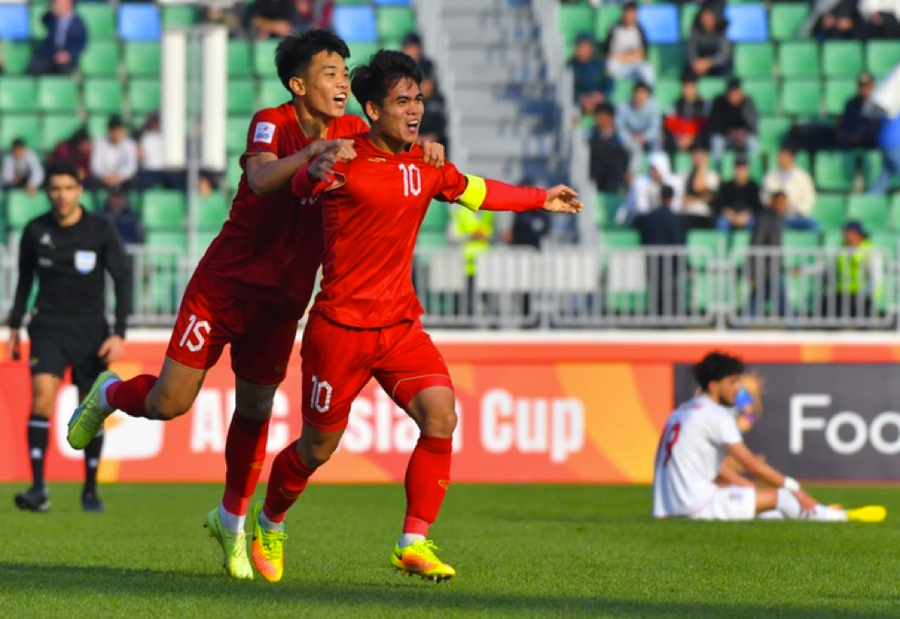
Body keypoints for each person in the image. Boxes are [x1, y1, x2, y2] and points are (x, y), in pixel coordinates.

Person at [66, 30, 444, 581]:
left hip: (282, 300)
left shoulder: (356, 131)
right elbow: (263, 177)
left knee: (256, 411)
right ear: (298, 84)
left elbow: (399, 148)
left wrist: (427, 146)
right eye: (330, 72)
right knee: (172, 403)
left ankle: (232, 521)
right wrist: (313, 151)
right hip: (225, 286)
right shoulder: (272, 121)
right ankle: (111, 392)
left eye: (344, 71)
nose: (342, 80)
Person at [249, 49, 582, 584]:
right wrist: (310, 171)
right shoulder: (343, 157)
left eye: (418, 99)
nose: (414, 110)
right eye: (402, 101)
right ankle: (270, 520)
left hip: (400, 325)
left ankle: (413, 542)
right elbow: (296, 188)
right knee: (318, 447)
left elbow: (477, 191)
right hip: (339, 328)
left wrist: (540, 198)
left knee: (441, 415)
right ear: (373, 110)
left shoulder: (425, 166)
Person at [8, 161, 131, 514]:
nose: (61, 195)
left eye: (68, 188)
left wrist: (119, 332)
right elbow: (25, 281)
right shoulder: (35, 231)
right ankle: (38, 489)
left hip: (91, 331)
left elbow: (122, 279)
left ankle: (90, 491)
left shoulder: (100, 230)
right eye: (55, 189)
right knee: (41, 400)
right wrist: (15, 324)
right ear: (48, 192)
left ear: (79, 190)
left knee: (89, 411)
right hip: (48, 328)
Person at [653, 351, 885, 523]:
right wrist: (796, 489)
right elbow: (751, 464)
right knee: (784, 497)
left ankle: (810, 512)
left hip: (667, 508)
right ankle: (838, 516)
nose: (738, 389)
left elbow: (711, 469)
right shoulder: (715, 414)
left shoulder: (682, 411)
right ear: (714, 385)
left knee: (768, 505)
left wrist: (748, 489)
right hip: (697, 505)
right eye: (732, 382)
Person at [634, 185, 684, 317]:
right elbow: (677, 241)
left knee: (655, 294)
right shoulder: (674, 219)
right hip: (669, 264)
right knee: (668, 294)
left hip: (652, 262)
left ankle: (656, 318)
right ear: (672, 198)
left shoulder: (649, 218)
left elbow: (643, 240)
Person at [821, 221, 882, 319]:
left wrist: (868, 294)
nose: (844, 235)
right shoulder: (842, 248)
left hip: (862, 293)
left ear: (856, 234)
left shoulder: (870, 250)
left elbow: (876, 277)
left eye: (846, 232)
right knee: (827, 304)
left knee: (861, 310)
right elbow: (828, 266)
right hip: (842, 292)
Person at [747, 191, 789, 318]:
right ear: (772, 202)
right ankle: (795, 328)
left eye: (785, 203)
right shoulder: (764, 219)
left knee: (757, 298)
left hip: (773, 267)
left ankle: (740, 327)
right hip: (765, 268)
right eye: (780, 203)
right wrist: (754, 271)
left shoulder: (777, 219)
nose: (783, 206)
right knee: (781, 299)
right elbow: (755, 245)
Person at [760, 146, 818, 231]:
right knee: (756, 222)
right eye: (779, 157)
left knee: (813, 225)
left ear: (791, 158)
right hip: (774, 217)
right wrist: (775, 206)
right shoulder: (770, 176)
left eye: (784, 156)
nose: (781, 159)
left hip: (795, 217)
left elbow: (809, 199)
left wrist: (796, 209)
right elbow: (764, 197)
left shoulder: (803, 177)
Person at [28, 0, 87, 75]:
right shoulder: (53, 18)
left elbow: (81, 42)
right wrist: (51, 12)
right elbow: (43, 20)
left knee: (63, 68)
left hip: (66, 55)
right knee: (36, 66)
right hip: (50, 53)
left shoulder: (77, 22)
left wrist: (68, 54)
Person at [603, 2, 654, 85]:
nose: (631, 17)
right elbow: (609, 53)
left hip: (633, 65)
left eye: (633, 14)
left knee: (646, 68)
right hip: (617, 65)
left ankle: (649, 94)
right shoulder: (614, 28)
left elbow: (642, 54)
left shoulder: (640, 30)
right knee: (609, 66)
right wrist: (628, 56)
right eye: (628, 14)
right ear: (623, 14)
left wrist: (624, 56)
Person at [708, 78, 759, 162]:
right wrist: (731, 133)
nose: (732, 96)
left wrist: (743, 133)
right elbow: (715, 125)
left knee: (752, 141)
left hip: (743, 136)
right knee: (716, 140)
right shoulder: (719, 102)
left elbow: (754, 125)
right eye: (730, 93)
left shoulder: (747, 102)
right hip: (726, 136)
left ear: (740, 92)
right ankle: (718, 169)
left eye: (735, 93)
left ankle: (755, 167)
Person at [616, 81, 661, 172]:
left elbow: (655, 127)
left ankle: (657, 171)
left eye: (643, 94)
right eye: (637, 93)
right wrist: (631, 138)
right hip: (629, 137)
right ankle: (631, 173)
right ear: (633, 94)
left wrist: (645, 136)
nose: (640, 96)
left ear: (648, 95)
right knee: (635, 147)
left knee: (658, 141)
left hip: (646, 136)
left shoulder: (653, 105)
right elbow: (619, 127)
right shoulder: (623, 106)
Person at [713, 153, 763, 232]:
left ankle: (750, 244)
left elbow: (758, 207)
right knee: (721, 222)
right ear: (734, 169)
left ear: (748, 169)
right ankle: (723, 244)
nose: (741, 171)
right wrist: (729, 214)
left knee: (755, 223)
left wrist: (747, 215)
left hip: (746, 217)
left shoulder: (754, 187)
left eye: (743, 168)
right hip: (730, 217)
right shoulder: (726, 187)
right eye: (738, 168)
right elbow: (719, 205)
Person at [663, 69, 709, 154]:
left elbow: (704, 124)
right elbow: (670, 123)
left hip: (696, 138)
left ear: (695, 87)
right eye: (685, 87)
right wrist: (679, 137)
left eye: (690, 87)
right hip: (679, 138)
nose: (687, 90)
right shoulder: (675, 104)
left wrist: (691, 137)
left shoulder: (704, 104)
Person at [89, 116, 139, 192]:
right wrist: (105, 176)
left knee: (134, 182)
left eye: (119, 131)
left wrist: (120, 176)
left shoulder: (129, 144)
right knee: (91, 183)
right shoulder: (99, 143)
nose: (117, 133)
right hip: (104, 178)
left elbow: (131, 166)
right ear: (109, 131)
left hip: (122, 178)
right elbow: (96, 165)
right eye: (114, 131)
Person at [589, 102, 629, 192]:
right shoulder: (589, 135)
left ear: (610, 117)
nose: (599, 118)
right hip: (593, 180)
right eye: (597, 115)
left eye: (602, 115)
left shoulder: (621, 137)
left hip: (614, 181)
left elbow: (633, 152)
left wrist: (629, 171)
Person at [679, 143, 719, 232]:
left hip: (705, 215)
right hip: (687, 214)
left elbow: (699, 189)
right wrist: (701, 197)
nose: (698, 157)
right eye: (695, 154)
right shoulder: (684, 175)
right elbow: (682, 201)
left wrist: (702, 168)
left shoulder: (712, 176)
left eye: (701, 154)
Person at [569, 33, 611, 115]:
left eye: (585, 47)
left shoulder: (600, 63)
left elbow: (609, 82)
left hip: (597, 102)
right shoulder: (569, 66)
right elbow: (567, 87)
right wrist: (580, 98)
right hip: (579, 103)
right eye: (580, 47)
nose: (582, 50)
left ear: (591, 49)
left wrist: (601, 94)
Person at [838, 72, 881, 150]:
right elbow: (847, 125)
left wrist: (862, 134)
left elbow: (878, 126)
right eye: (862, 86)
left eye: (867, 86)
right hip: (854, 141)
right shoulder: (851, 104)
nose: (865, 89)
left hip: (872, 140)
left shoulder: (879, 104)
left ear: (872, 86)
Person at [687, 7, 731, 78]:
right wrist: (697, 64)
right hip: (699, 66)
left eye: (709, 18)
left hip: (717, 66)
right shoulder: (695, 33)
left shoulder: (721, 32)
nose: (706, 21)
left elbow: (724, 55)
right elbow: (691, 52)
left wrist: (709, 63)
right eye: (704, 18)